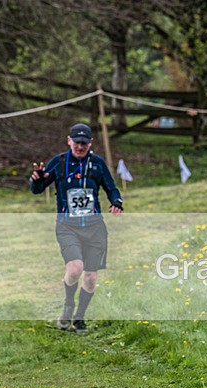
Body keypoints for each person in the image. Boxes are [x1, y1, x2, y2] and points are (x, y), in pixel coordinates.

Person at [31, 123, 123, 333]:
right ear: (69, 141)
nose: (80, 146)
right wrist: (36, 180)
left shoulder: (97, 164)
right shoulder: (59, 162)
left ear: (90, 144)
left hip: (94, 227)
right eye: (76, 142)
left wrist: (116, 202)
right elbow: (37, 189)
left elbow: (111, 187)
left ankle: (79, 317)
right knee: (74, 268)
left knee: (90, 276)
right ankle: (68, 306)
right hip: (67, 226)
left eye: (84, 143)